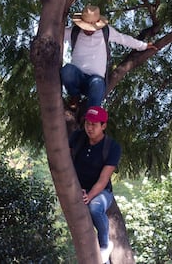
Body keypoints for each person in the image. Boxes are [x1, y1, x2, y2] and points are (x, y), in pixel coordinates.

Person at [61, 5, 158, 109]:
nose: (88, 30)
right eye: (86, 27)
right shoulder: (74, 31)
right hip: (77, 77)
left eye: (91, 27)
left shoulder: (105, 32)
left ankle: (90, 116)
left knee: (97, 84)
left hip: (95, 81)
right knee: (67, 70)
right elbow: (55, 34)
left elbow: (123, 39)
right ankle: (74, 97)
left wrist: (143, 45)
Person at [69, 106, 122, 263]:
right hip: (78, 189)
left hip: (101, 192)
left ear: (103, 126)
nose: (89, 128)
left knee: (95, 207)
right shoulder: (78, 137)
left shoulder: (112, 147)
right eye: (87, 123)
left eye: (94, 124)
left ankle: (105, 247)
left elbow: (104, 178)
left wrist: (89, 196)